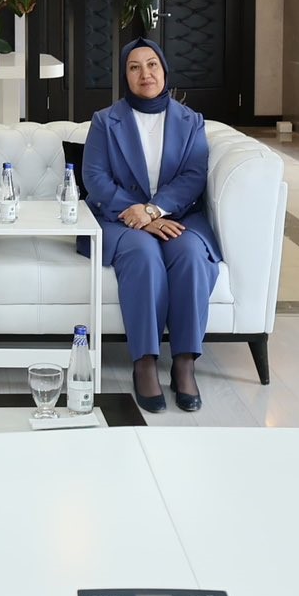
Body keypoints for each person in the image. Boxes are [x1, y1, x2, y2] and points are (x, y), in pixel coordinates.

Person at [82, 39, 222, 412]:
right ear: (125, 76)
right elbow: (95, 178)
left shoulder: (191, 121)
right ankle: (144, 362)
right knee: (142, 254)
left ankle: (184, 362)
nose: (145, 73)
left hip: (176, 216)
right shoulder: (105, 121)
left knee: (191, 254)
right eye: (134, 67)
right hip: (120, 219)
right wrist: (138, 215)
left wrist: (153, 211)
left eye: (152, 65)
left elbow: (194, 176)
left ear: (164, 71)